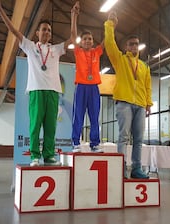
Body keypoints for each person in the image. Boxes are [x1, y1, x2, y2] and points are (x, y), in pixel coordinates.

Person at [0, 0, 79, 166]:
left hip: (53, 92)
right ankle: (34, 157)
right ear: (37, 33)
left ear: (51, 35)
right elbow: (13, 30)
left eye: (49, 30)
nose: (46, 32)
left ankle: (48, 156)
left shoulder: (56, 49)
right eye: (43, 29)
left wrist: (73, 15)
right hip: (36, 90)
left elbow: (73, 38)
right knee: (35, 126)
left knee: (50, 127)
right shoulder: (30, 46)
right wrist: (0, 9)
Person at [104, 12, 153, 179]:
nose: (134, 46)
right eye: (131, 44)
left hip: (140, 105)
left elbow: (148, 86)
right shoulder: (120, 60)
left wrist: (148, 104)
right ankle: (121, 168)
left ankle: (136, 168)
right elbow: (110, 44)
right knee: (124, 137)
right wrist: (110, 24)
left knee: (138, 139)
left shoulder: (144, 66)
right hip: (124, 102)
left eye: (136, 44)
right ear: (126, 47)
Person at [71, 13, 104, 153]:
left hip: (94, 88)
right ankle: (76, 143)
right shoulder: (78, 52)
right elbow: (73, 35)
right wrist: (74, 16)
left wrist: (111, 24)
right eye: (84, 39)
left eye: (90, 39)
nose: (88, 41)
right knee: (78, 115)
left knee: (94, 116)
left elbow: (106, 40)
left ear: (93, 41)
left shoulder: (97, 52)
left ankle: (94, 143)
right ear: (81, 42)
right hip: (81, 87)